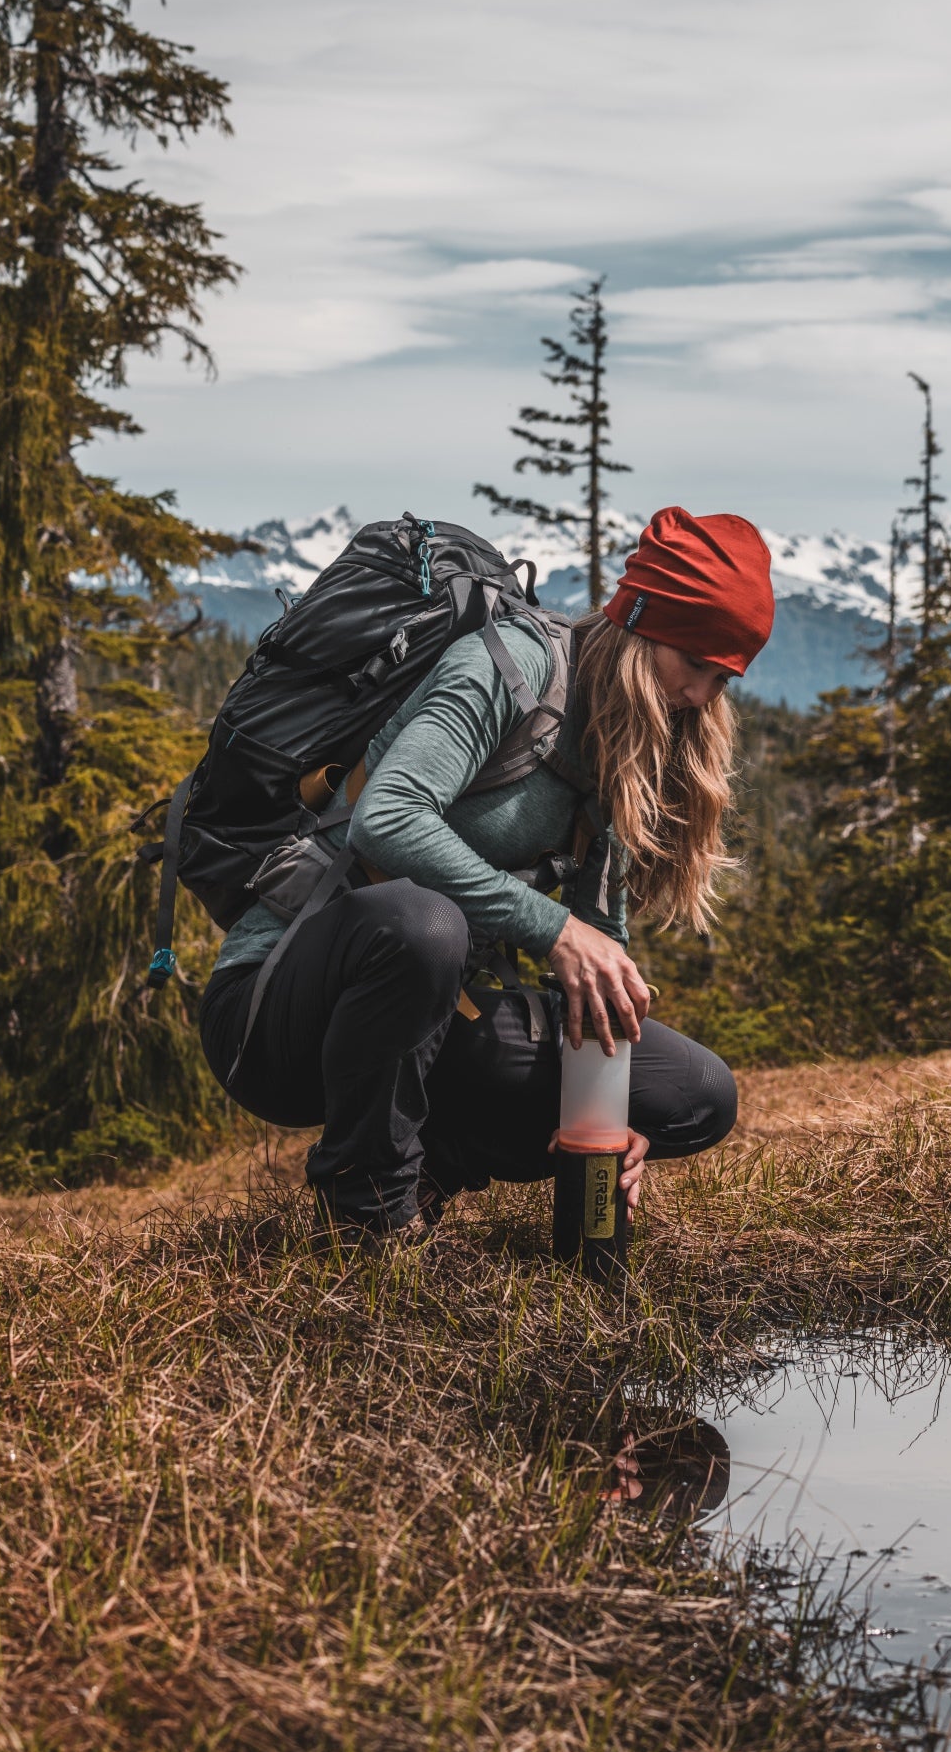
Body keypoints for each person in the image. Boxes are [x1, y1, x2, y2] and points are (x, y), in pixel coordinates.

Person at [198, 505, 776, 1241]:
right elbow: (387, 818)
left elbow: (597, 952)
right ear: (638, 625)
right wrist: (553, 928)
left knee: (693, 1093)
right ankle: (366, 1214)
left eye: (723, 679)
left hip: (428, 1022)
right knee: (423, 924)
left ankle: (428, 1170)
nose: (701, 696)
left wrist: (608, 1110)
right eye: (694, 664)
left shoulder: (623, 743)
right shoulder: (512, 666)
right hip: (275, 1012)